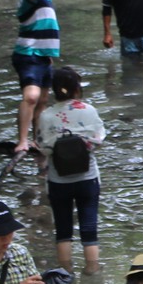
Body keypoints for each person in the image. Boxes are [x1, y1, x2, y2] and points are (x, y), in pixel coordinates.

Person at [35, 66, 106, 272]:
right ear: (77, 88)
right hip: (88, 177)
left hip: (59, 181)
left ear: (54, 89)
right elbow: (98, 141)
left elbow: (44, 148)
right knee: (89, 229)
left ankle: (66, 274)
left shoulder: (46, 116)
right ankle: (93, 273)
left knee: (63, 231)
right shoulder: (89, 110)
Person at [12, 0, 59, 155]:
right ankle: (22, 140)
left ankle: (36, 139)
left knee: (42, 100)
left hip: (43, 56)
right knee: (31, 96)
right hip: (29, 53)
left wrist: (49, 56)